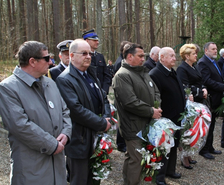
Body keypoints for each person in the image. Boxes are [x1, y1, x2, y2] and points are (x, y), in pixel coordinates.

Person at [0, 41, 72, 185]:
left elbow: (64, 111)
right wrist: (52, 145)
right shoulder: (8, 88)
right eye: (46, 58)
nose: (51, 62)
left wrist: (66, 133)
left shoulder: (50, 83)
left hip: (57, 167)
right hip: (32, 169)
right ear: (32, 61)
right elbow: (20, 125)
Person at [56, 39, 111, 185]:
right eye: (84, 53)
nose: (88, 56)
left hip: (95, 138)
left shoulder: (90, 74)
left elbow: (104, 98)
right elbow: (76, 110)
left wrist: (107, 117)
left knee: (95, 179)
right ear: (72, 55)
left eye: (90, 53)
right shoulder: (65, 79)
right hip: (79, 141)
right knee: (80, 180)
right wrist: (101, 123)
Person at [112, 43, 162, 185]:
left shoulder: (142, 72)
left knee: (133, 157)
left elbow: (156, 91)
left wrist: (157, 106)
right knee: (137, 159)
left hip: (146, 122)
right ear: (129, 56)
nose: (143, 59)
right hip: (132, 125)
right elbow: (130, 102)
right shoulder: (122, 75)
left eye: (144, 56)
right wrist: (151, 111)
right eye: (140, 56)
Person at [149, 47, 185, 185]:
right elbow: (155, 98)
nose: (174, 58)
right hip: (165, 118)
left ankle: (170, 170)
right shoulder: (155, 74)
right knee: (164, 147)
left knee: (173, 145)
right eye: (171, 56)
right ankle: (159, 176)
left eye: (174, 56)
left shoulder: (171, 72)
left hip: (176, 117)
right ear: (161, 57)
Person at [197, 42, 224, 157]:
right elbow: (207, 81)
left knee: (212, 124)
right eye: (212, 49)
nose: (215, 51)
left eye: (216, 49)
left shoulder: (214, 62)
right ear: (206, 51)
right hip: (209, 98)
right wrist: (223, 86)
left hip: (217, 97)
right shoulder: (203, 63)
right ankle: (204, 150)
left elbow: (218, 76)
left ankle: (210, 146)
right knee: (208, 125)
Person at [176, 44, 206, 167]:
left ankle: (189, 154)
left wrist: (204, 89)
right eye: (194, 54)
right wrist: (199, 91)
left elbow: (201, 80)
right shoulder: (182, 69)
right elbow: (185, 87)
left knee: (192, 130)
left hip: (198, 101)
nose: (196, 56)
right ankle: (184, 158)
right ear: (187, 56)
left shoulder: (194, 66)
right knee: (186, 130)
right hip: (189, 103)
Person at [82, 29, 111, 94]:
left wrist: (104, 90)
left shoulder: (100, 56)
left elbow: (107, 75)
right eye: (94, 40)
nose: (97, 42)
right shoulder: (81, 57)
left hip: (102, 92)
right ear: (87, 41)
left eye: (97, 40)